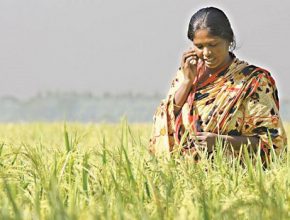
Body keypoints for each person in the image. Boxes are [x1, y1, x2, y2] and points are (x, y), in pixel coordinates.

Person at [149, 7, 287, 159]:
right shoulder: (186, 74)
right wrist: (187, 82)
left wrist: (221, 142)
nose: (206, 53)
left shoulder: (253, 81)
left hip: (234, 176)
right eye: (199, 46)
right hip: (185, 175)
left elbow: (272, 142)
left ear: (229, 41)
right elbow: (165, 120)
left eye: (213, 45)